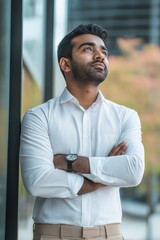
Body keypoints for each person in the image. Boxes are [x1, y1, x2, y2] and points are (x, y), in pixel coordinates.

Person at [20, 23, 145, 240]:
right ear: (65, 64)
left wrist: (72, 162)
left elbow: (133, 170)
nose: (99, 55)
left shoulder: (126, 116)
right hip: (52, 234)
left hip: (109, 235)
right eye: (88, 49)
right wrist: (101, 177)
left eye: (103, 51)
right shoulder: (39, 116)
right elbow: (36, 180)